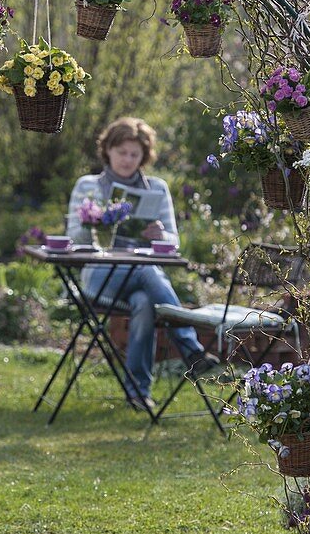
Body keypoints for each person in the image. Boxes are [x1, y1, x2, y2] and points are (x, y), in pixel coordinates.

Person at [66, 116, 216, 411]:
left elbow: (173, 244)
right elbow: (75, 238)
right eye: (121, 152)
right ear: (107, 150)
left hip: (140, 281)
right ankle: (191, 349)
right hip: (100, 278)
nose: (127, 160)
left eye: (134, 154)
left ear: (143, 157)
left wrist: (161, 235)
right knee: (149, 272)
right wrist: (93, 221)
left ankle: (138, 393)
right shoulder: (88, 185)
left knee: (144, 301)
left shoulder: (157, 189)